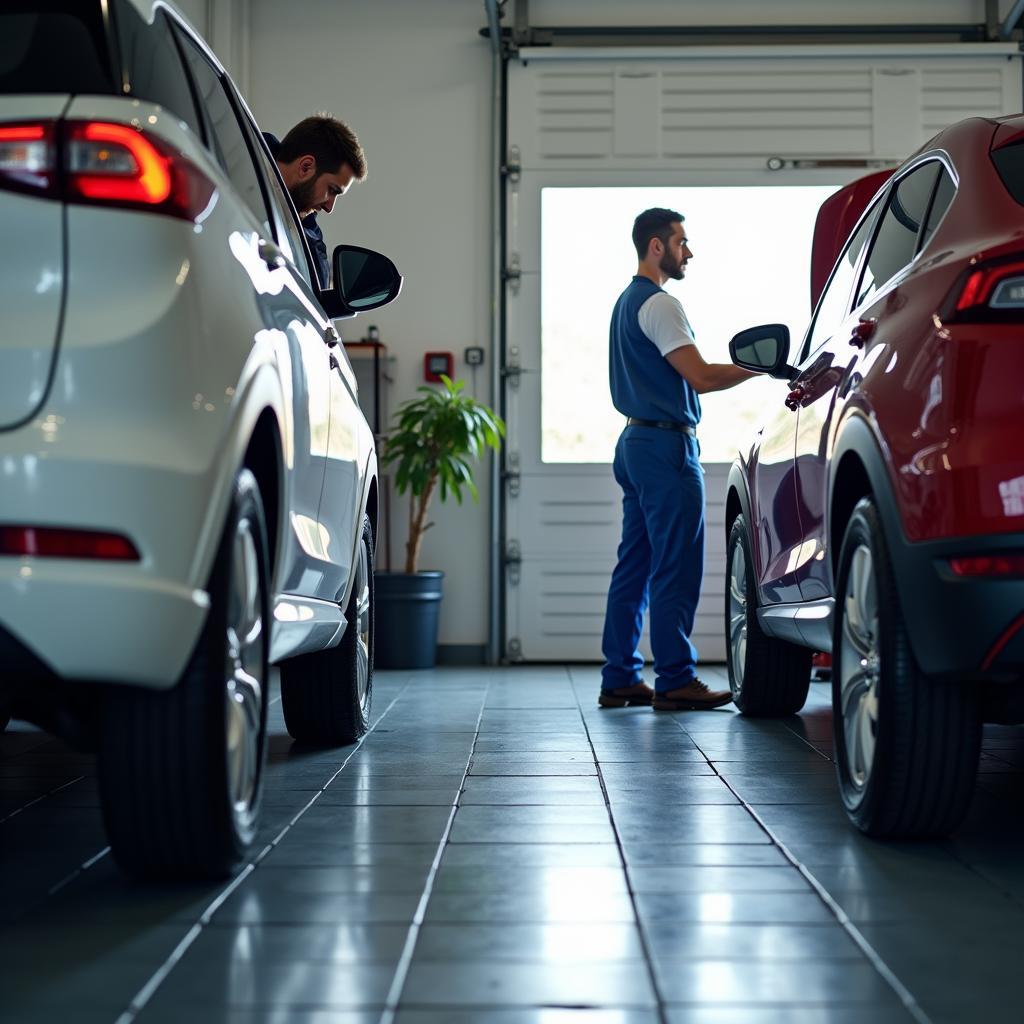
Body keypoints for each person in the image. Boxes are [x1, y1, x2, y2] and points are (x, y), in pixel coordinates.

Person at [599, 208, 758, 712]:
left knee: (635, 565)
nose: (688, 252)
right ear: (656, 247)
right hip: (667, 448)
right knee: (676, 565)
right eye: (681, 242)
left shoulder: (626, 303)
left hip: (634, 445)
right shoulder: (661, 304)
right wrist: (759, 368)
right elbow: (702, 377)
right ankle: (674, 679)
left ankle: (620, 676)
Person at [263, 114, 366, 288]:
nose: (329, 207)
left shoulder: (309, 235)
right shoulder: (235, 173)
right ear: (306, 167)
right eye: (332, 190)